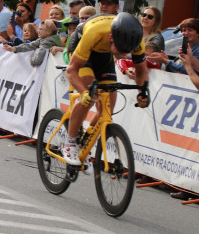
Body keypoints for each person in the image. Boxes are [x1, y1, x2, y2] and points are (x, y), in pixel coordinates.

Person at [61, 12, 150, 166]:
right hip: (82, 47)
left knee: (108, 107)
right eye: (121, 50)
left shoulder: (136, 40)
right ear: (110, 38)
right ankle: (69, 142)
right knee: (89, 94)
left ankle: (85, 141)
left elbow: (142, 72)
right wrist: (83, 92)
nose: (123, 55)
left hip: (104, 54)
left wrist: (142, 92)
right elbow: (71, 70)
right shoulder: (94, 33)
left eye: (126, 52)